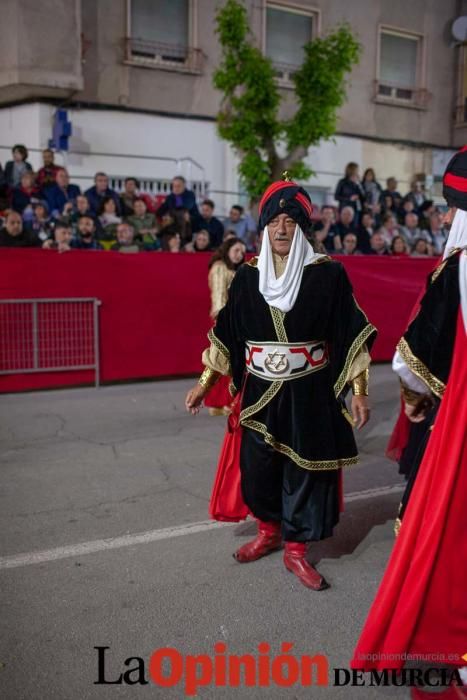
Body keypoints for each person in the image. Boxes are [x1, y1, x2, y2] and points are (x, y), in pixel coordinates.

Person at [185, 176, 377, 591]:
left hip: (308, 392)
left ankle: (295, 551)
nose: (282, 229)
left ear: (303, 227)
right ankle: (269, 532)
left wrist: (360, 391)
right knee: (258, 472)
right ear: (264, 226)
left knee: (304, 474)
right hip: (259, 394)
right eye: (275, 221)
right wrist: (205, 381)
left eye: (290, 221)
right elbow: (227, 333)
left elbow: (352, 331)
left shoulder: (328, 275)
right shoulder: (247, 277)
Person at [351, 147, 467, 682]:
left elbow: (409, 363)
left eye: (448, 207)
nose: (442, 218)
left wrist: (418, 399)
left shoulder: (456, 269)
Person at [204, 238, 246, 415]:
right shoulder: (220, 267)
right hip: (225, 321)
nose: (240, 255)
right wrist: (223, 321)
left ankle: (222, 402)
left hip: (234, 320)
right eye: (236, 250)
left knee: (228, 360)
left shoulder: (233, 269)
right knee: (223, 360)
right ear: (227, 249)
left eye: (242, 251)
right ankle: (221, 402)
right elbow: (219, 297)